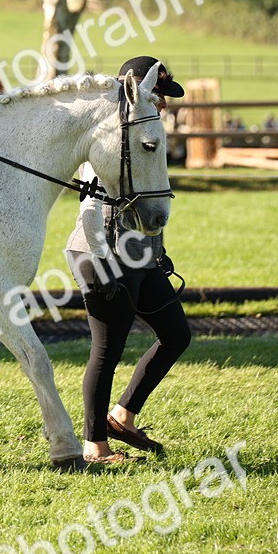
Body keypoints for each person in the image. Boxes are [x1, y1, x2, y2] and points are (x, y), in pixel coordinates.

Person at [65, 55, 191, 465]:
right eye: (158, 93)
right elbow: (87, 205)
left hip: (139, 257)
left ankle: (122, 416)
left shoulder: (145, 130)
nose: (164, 103)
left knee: (176, 335)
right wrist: (101, 262)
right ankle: (94, 447)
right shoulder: (106, 132)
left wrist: (157, 250)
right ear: (135, 90)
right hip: (99, 253)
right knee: (107, 350)